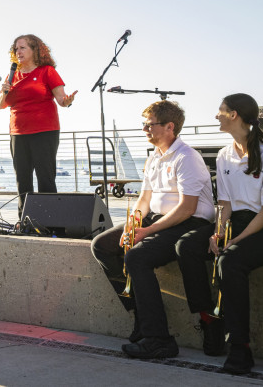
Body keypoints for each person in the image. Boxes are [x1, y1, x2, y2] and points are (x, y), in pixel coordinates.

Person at [90, 100, 215, 359]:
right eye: (144, 125)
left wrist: (147, 232)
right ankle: (141, 316)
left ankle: (159, 340)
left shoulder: (187, 157)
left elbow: (187, 208)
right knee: (101, 246)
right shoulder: (153, 157)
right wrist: (133, 224)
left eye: (149, 125)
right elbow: (144, 201)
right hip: (159, 220)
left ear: (170, 127)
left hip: (187, 223)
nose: (145, 130)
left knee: (136, 256)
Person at [179, 93, 263, 374]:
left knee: (230, 261)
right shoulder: (225, 154)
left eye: (221, 110)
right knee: (187, 247)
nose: (216, 115)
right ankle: (209, 320)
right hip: (235, 222)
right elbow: (224, 204)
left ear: (234, 115)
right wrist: (218, 234)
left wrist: (235, 241)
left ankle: (240, 348)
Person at [0, 34, 76, 212]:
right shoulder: (12, 75)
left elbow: (62, 100)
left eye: (23, 47)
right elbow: (1, 105)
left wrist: (68, 101)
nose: (18, 52)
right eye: (16, 48)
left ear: (35, 50)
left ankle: (49, 220)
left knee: (45, 178)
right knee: (22, 179)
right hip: (18, 132)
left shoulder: (47, 71)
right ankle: (25, 220)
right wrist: (4, 91)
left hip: (44, 131)